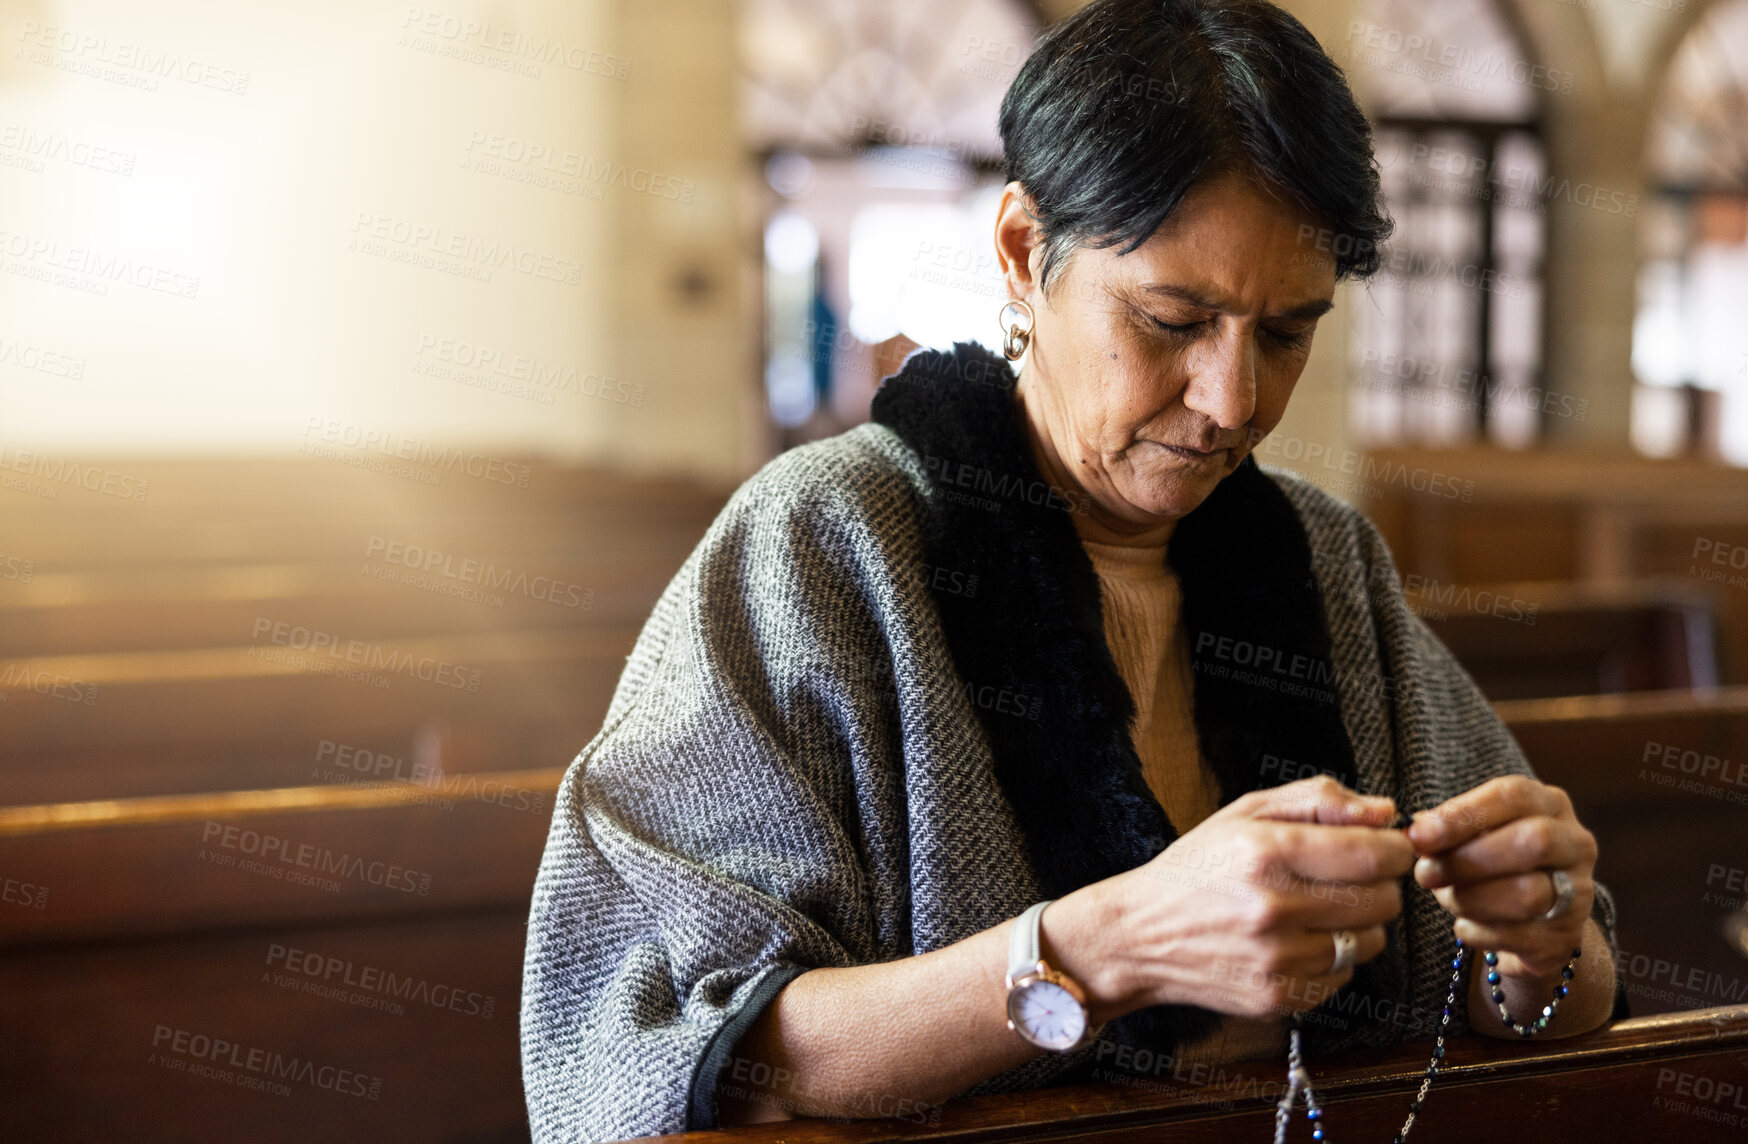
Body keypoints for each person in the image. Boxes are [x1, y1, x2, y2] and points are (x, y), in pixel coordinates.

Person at [519, 1, 1628, 1138]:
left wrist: (1537, 947)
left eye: (1286, 333)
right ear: (1018, 251)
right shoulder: (824, 545)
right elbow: (680, 1053)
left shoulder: (1324, 558)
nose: (1232, 401)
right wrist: (1109, 944)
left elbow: (1548, 1002)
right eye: (1168, 318)